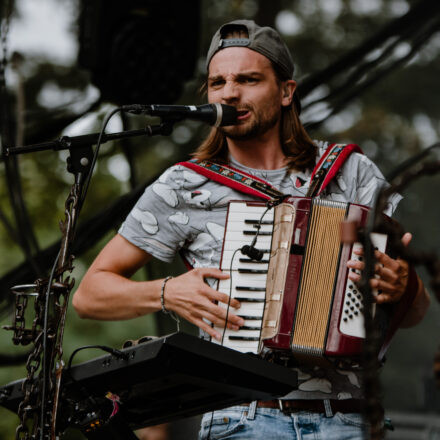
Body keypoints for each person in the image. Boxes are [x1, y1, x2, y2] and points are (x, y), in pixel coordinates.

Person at [73, 19, 430, 440]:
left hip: (349, 418)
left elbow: (414, 313)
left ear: (285, 92)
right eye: (217, 82)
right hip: (240, 418)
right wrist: (168, 292)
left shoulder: (350, 173)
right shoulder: (184, 186)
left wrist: (404, 284)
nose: (229, 92)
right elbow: (90, 293)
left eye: (248, 79)